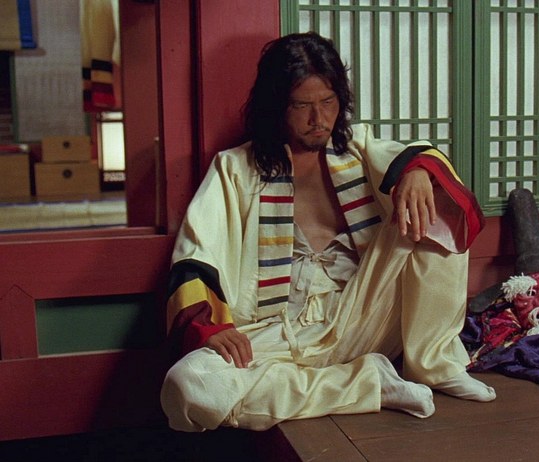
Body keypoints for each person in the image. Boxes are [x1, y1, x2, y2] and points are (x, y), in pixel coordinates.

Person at [160, 32, 496, 433]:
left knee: (434, 200)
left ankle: (434, 364)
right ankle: (368, 383)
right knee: (190, 386)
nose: (318, 119)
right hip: (278, 331)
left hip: (363, 314)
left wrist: (419, 172)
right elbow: (196, 252)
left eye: (328, 102)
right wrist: (211, 327)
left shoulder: (359, 148)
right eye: (302, 105)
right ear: (275, 105)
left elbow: (413, 162)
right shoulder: (234, 169)